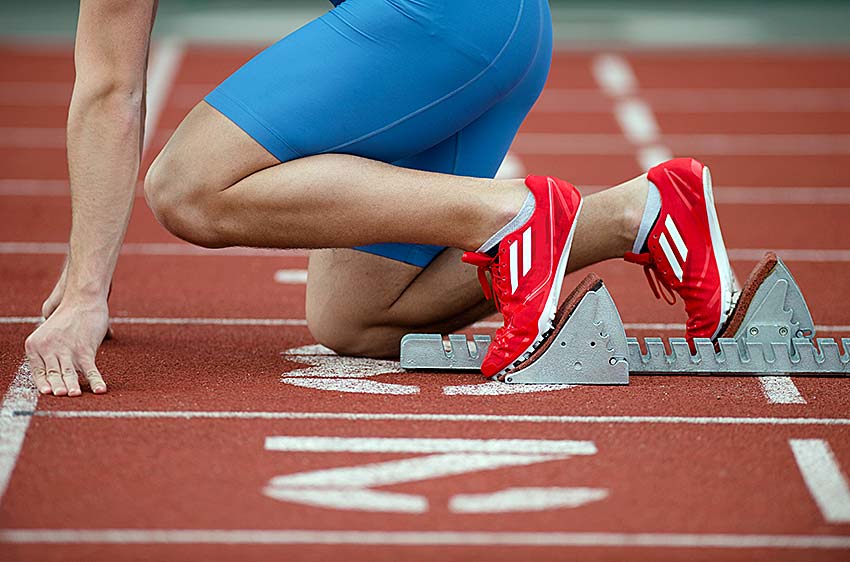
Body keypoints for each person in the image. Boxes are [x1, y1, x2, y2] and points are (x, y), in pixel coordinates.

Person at [25, 0, 738, 396]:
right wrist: (84, 278)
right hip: (503, 29)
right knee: (359, 319)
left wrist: (89, 291)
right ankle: (638, 212)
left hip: (444, 20)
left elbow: (110, 92)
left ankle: (513, 215)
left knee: (188, 186)